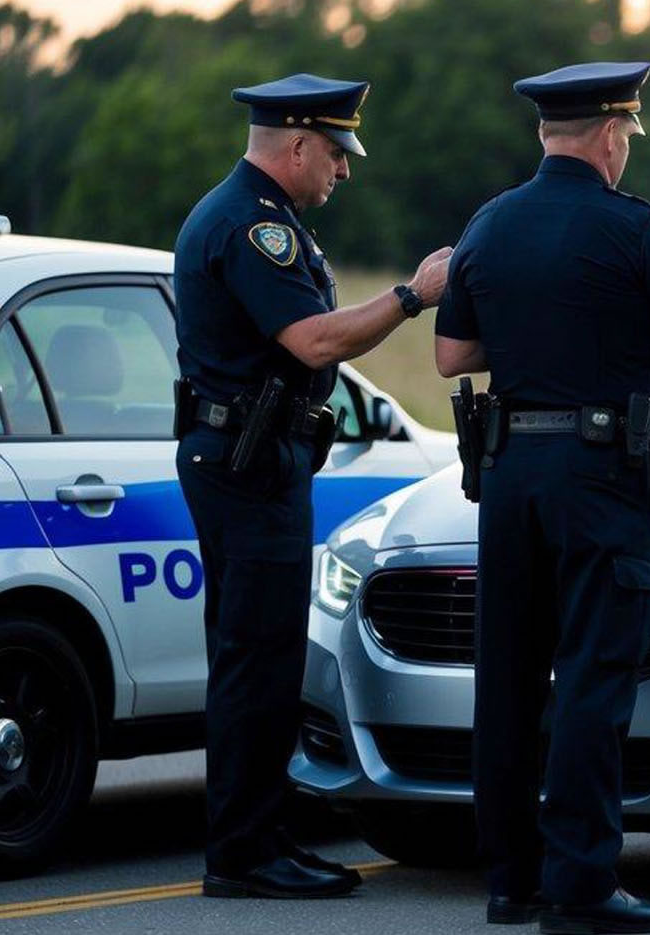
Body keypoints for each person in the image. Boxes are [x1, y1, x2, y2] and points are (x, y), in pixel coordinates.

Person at [434, 61, 650, 932]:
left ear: (547, 134)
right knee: (593, 679)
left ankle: (513, 880)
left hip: (507, 475)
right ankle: (582, 882)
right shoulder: (635, 229)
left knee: (507, 676)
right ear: (611, 136)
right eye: (626, 137)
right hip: (602, 478)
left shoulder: (488, 226)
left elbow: (451, 358)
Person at [174, 73, 450, 899]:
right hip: (249, 466)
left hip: (243, 459)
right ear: (295, 146)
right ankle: (246, 852)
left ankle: (256, 838)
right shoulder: (254, 228)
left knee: (253, 658)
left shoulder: (255, 217)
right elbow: (315, 339)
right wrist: (411, 296)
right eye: (336, 152)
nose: (344, 169)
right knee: (257, 662)